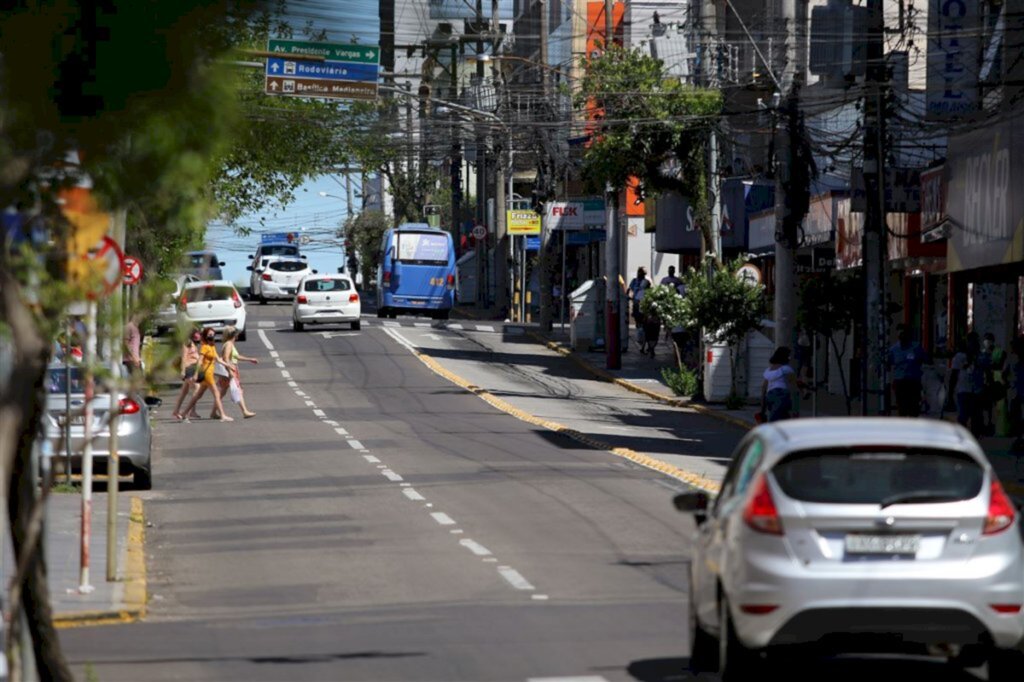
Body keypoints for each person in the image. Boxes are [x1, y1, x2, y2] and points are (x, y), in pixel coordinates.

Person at [178, 328, 233, 422]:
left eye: (213, 334)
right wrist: (196, 374)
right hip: (207, 374)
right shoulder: (204, 347)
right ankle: (223, 415)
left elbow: (218, 359)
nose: (211, 336)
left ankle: (184, 413)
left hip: (209, 373)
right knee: (216, 393)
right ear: (205, 335)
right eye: (209, 334)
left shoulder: (212, 346)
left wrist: (228, 365)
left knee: (198, 395)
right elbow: (200, 361)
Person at [212, 326, 258, 419]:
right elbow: (226, 358)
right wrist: (230, 371)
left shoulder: (229, 344)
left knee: (223, 392)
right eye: (237, 333)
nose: (238, 335)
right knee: (238, 390)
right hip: (230, 370)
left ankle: (213, 412)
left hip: (230, 369)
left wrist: (249, 359)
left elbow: (236, 356)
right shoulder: (229, 344)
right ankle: (244, 411)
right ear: (234, 335)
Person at [886, 325, 929, 417]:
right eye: (900, 334)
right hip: (900, 382)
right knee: (902, 409)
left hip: (913, 381)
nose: (902, 336)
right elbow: (888, 364)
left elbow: (925, 360)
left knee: (914, 409)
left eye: (904, 333)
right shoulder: (893, 350)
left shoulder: (916, 347)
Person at [948, 332, 984, 435]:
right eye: (971, 341)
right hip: (963, 390)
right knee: (963, 415)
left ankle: (975, 436)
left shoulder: (980, 357)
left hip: (977, 390)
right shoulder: (959, 357)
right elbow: (954, 375)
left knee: (976, 416)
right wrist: (950, 393)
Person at [761, 347, 799, 422]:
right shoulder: (786, 369)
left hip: (770, 396)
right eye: (789, 356)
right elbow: (794, 386)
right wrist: (796, 409)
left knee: (777, 418)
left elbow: (763, 387)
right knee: (778, 421)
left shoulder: (768, 370)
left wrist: (762, 408)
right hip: (781, 395)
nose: (790, 358)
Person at [171, 330, 203, 421]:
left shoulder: (193, 343)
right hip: (189, 369)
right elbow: (184, 358)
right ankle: (189, 411)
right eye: (196, 334)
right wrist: (183, 371)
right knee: (197, 387)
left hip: (193, 368)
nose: (198, 335)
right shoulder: (186, 344)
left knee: (184, 392)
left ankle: (176, 410)